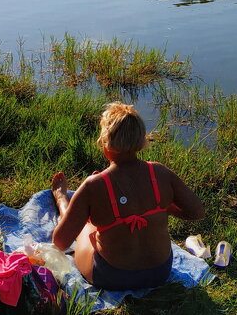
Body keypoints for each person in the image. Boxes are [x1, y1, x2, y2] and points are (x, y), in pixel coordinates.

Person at [50, 102, 205, 290]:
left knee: (87, 226)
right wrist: (162, 206)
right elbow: (196, 211)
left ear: (105, 144)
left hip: (111, 277)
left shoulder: (94, 185)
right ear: (141, 142)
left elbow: (60, 242)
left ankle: (62, 199)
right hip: (159, 273)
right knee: (95, 220)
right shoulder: (160, 173)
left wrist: (64, 198)